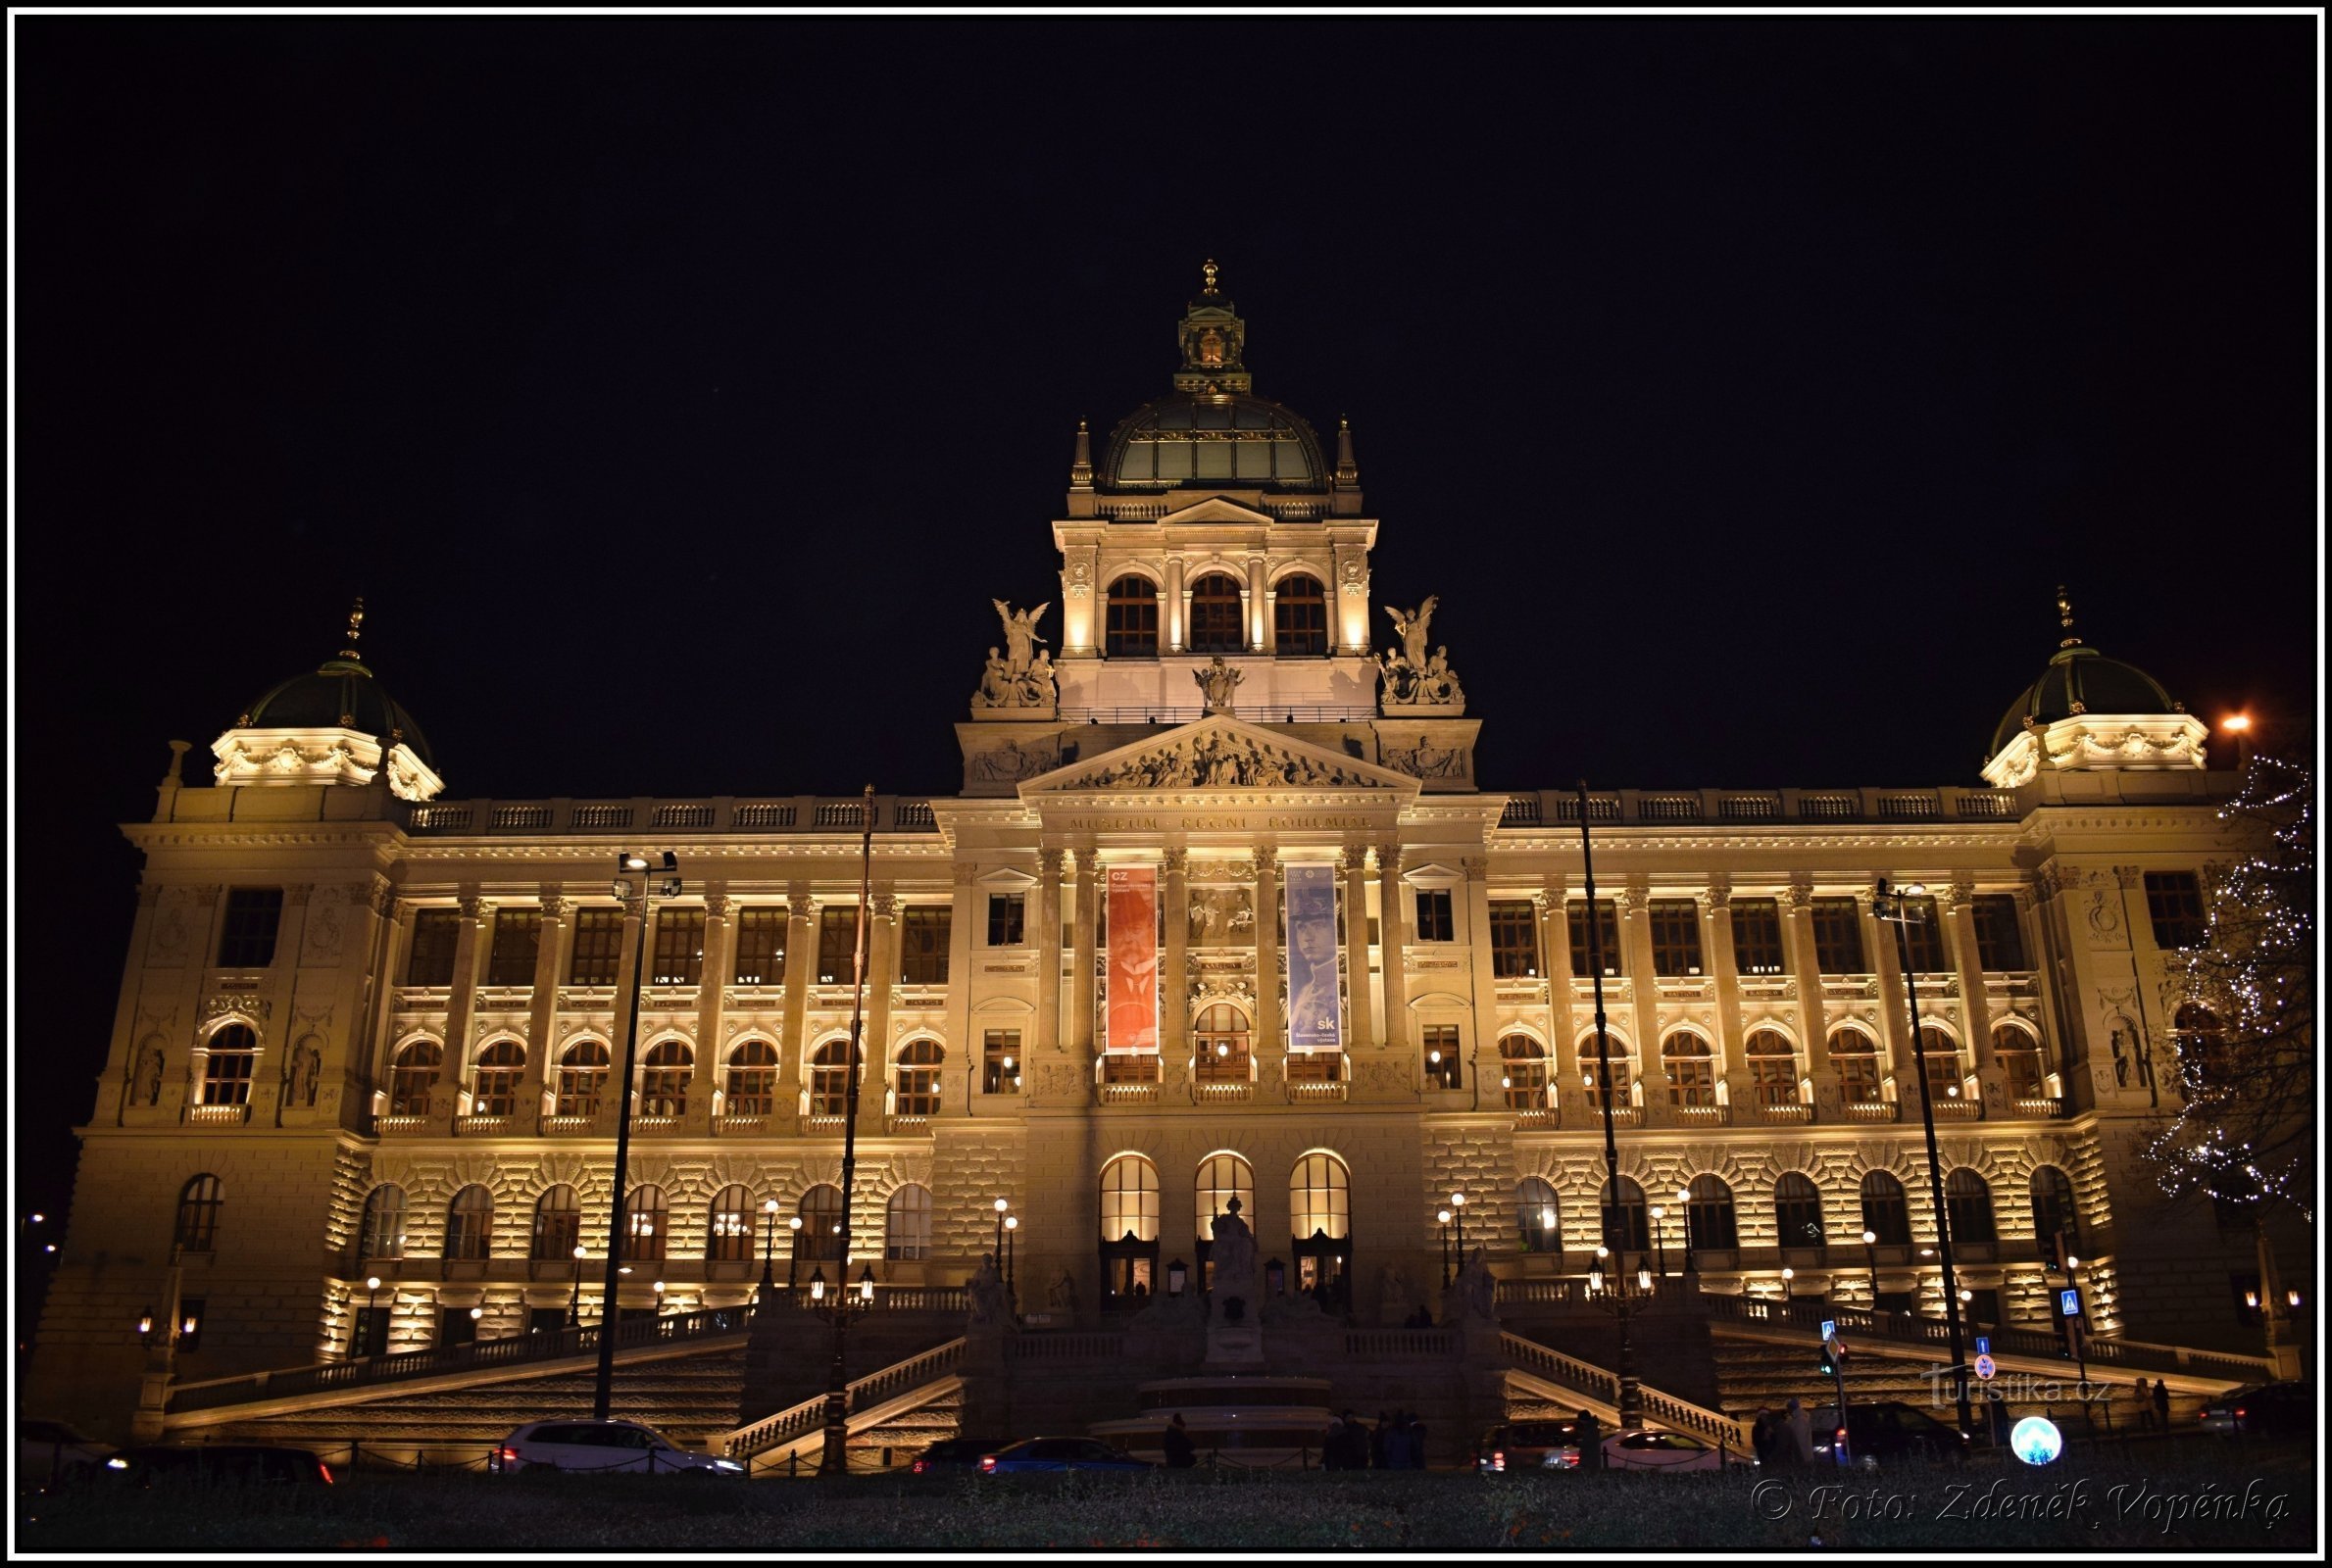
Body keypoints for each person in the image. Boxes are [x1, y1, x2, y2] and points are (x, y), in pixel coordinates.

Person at [1784, 1396, 1814, 1468]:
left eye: (1787, 1408)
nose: (1787, 1410)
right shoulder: (1797, 1419)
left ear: (1791, 1408)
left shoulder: (1800, 1420)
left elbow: (1799, 1441)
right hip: (1802, 1456)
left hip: (1802, 1457)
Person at [1574, 1406, 1603, 1472]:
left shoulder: (1590, 1429)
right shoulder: (1592, 1427)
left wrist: (1578, 1443)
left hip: (1589, 1459)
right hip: (1591, 1458)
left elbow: (1587, 1443)